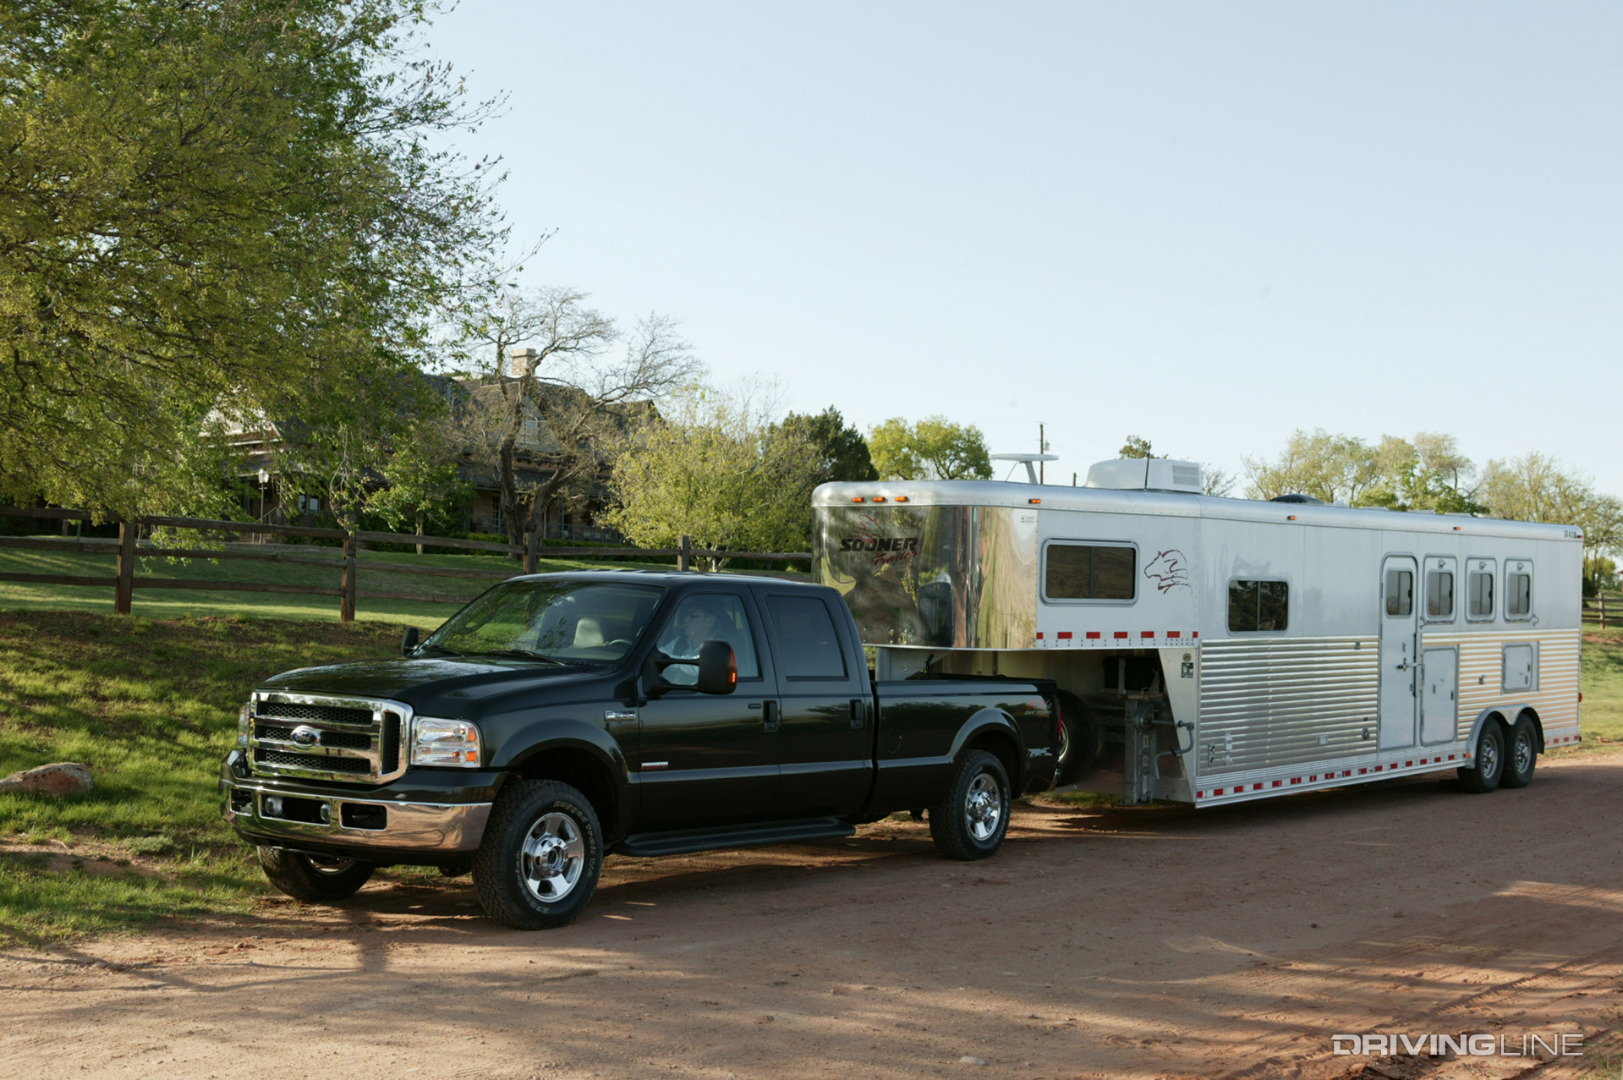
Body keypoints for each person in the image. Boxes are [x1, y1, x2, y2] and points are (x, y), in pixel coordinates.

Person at [659, 597, 724, 685]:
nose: (685, 619)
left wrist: (664, 659)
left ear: (710, 620)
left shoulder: (719, 646)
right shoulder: (681, 641)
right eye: (685, 615)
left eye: (693, 615)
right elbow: (660, 652)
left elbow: (696, 666)